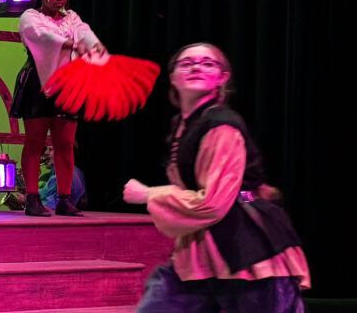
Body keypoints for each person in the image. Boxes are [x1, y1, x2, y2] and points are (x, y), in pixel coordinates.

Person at [125, 43, 308, 312]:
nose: (196, 66)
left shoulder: (222, 125)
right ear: (173, 77)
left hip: (248, 257)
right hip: (201, 257)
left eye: (208, 63)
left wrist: (149, 194)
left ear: (223, 77)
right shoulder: (185, 124)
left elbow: (211, 203)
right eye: (186, 63)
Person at [10, 0, 103, 217]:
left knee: (64, 145)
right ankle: (32, 198)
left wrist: (97, 50)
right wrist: (71, 44)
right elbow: (43, 37)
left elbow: (87, 36)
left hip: (66, 85)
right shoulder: (30, 17)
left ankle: (64, 198)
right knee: (35, 143)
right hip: (38, 84)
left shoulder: (72, 18)